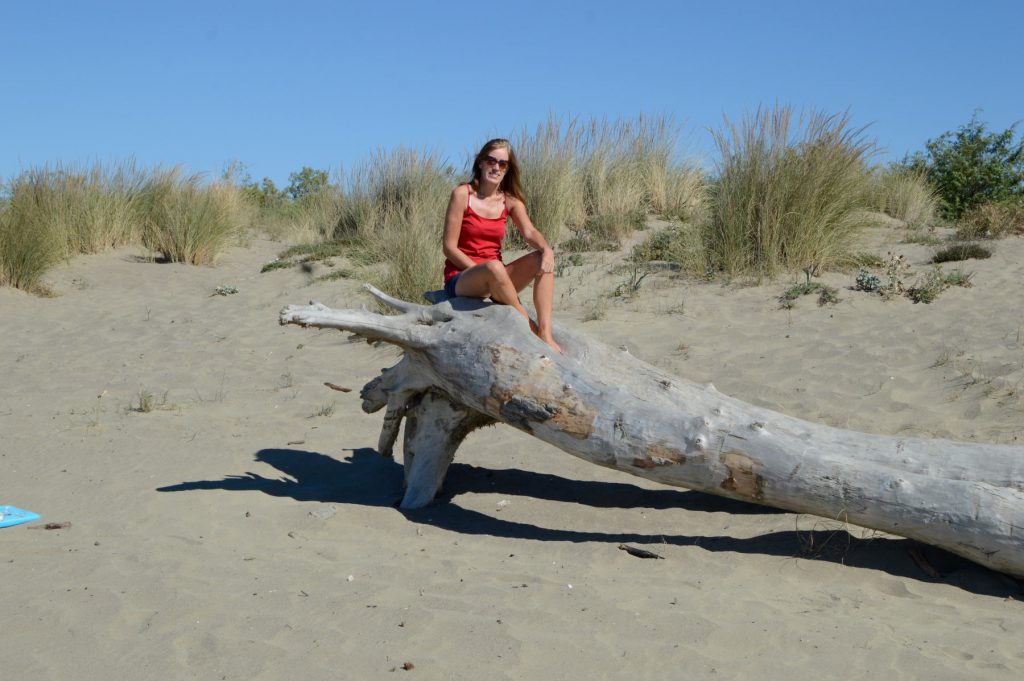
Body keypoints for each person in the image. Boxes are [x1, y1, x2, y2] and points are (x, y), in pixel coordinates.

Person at [442, 138, 562, 353]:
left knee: (541, 259)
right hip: (462, 278)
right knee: (493, 267)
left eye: (502, 164)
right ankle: (531, 328)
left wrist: (547, 249)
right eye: (491, 160)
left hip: (497, 280)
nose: (495, 167)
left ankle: (545, 332)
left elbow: (530, 232)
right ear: (480, 162)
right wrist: (482, 272)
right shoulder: (462, 194)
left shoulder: (511, 201)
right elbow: (449, 248)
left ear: (508, 170)